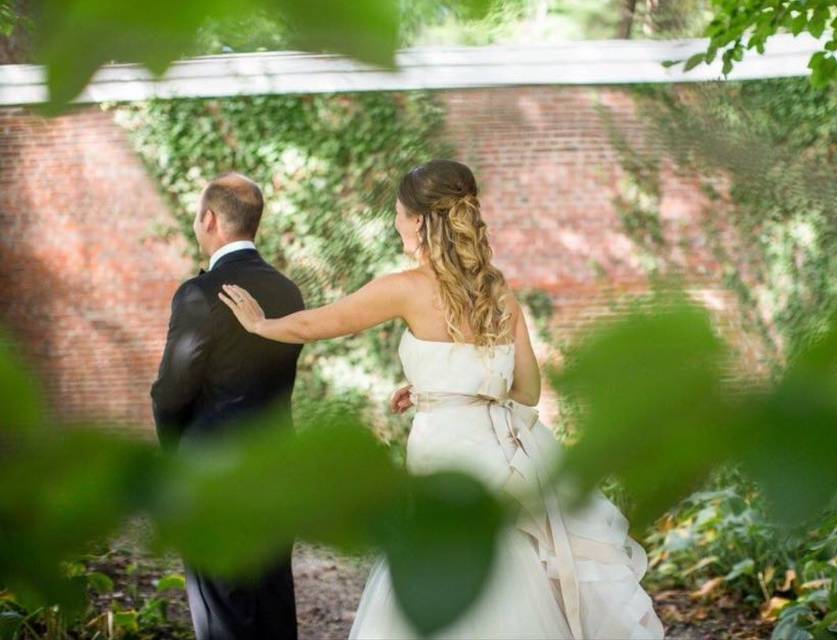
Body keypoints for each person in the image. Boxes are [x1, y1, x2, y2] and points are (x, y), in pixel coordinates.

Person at [219, 160, 665, 639]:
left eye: (396, 213)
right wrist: (440, 386)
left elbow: (317, 324)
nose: (394, 223)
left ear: (418, 220)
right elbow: (527, 391)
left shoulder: (406, 288)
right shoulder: (496, 287)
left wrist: (260, 325)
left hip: (445, 451)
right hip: (503, 453)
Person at [151, 172, 303, 640]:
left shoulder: (199, 293)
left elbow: (171, 394)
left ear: (210, 219)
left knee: (223, 617)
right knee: (272, 604)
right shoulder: (287, 290)